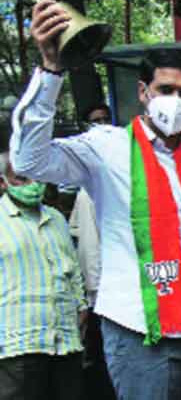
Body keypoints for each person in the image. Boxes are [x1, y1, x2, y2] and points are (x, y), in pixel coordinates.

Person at [11, 0, 181, 400]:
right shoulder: (107, 148)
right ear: (143, 92)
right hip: (140, 332)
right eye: (166, 90)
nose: (176, 101)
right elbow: (28, 160)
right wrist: (51, 71)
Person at [0, 152, 87, 400]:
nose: (32, 185)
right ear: (3, 182)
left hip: (65, 343)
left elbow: (74, 272)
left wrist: (81, 309)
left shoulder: (56, 219)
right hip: (16, 348)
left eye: (37, 177)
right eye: (21, 179)